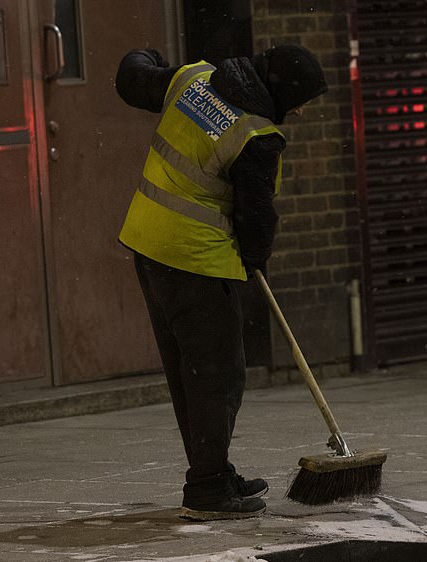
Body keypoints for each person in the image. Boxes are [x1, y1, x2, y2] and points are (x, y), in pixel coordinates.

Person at [115, 45, 327, 520]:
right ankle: (208, 487)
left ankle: (212, 470)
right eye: (300, 101)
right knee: (218, 375)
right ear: (280, 92)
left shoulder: (192, 80)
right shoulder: (257, 137)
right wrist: (253, 259)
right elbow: (257, 219)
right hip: (195, 259)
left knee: (187, 371)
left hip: (148, 246)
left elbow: (133, 81)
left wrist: (143, 55)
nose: (298, 112)